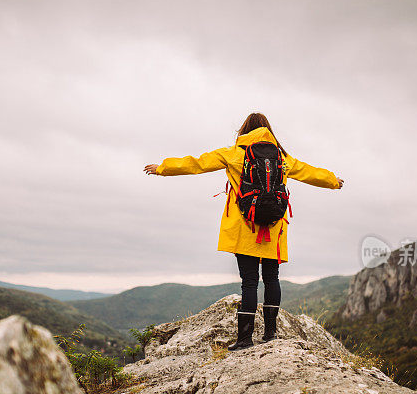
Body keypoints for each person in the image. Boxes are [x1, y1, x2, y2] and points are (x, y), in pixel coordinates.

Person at [144, 112, 344, 351]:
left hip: (245, 225)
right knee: (272, 278)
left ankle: (245, 339)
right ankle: (270, 334)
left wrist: (163, 168)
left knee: (249, 283)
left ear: (244, 130)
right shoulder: (282, 157)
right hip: (273, 227)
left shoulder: (234, 153)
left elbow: (197, 163)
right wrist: (333, 181)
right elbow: (310, 172)